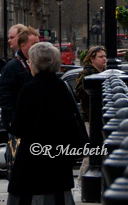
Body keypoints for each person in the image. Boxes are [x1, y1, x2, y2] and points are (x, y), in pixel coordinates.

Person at [7, 42, 76, 204]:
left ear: (36, 64)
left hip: (31, 159)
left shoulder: (29, 89)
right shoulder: (62, 87)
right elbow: (70, 123)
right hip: (58, 158)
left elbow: (18, 127)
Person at [0, 26, 39, 178]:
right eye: (33, 43)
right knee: (18, 164)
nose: (37, 47)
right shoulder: (12, 67)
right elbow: (5, 96)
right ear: (23, 46)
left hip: (33, 123)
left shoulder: (35, 64)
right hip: (18, 124)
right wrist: (10, 121)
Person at [74, 46, 107, 185]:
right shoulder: (87, 73)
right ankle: (82, 182)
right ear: (92, 59)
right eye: (101, 56)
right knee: (90, 154)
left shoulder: (103, 73)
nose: (104, 59)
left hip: (100, 119)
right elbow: (78, 93)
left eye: (105, 56)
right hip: (89, 118)